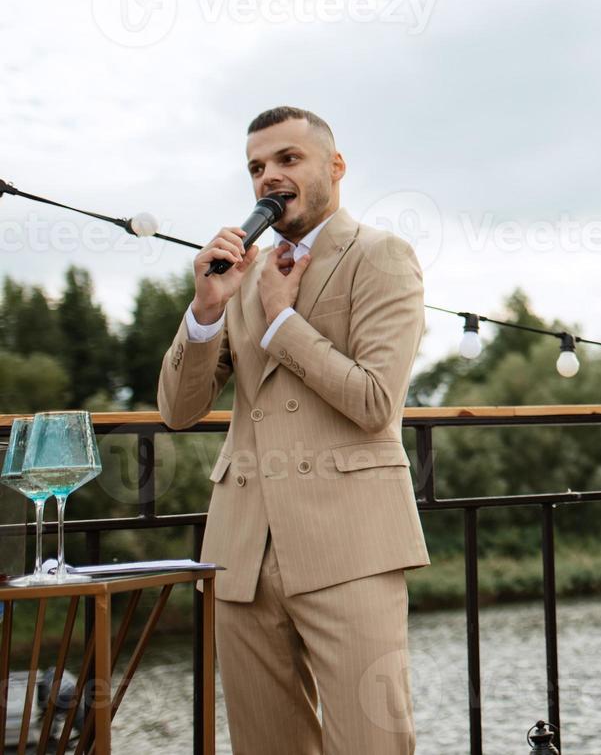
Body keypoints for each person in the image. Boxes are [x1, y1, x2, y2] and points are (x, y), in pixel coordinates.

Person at [158, 106, 429, 754]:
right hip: (243, 549)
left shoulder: (382, 255)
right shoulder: (240, 274)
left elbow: (372, 401)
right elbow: (178, 409)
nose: (268, 177)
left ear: (334, 168)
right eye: (256, 167)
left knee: (373, 743)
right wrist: (203, 312)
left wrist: (283, 325)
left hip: (352, 547)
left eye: (287, 159)